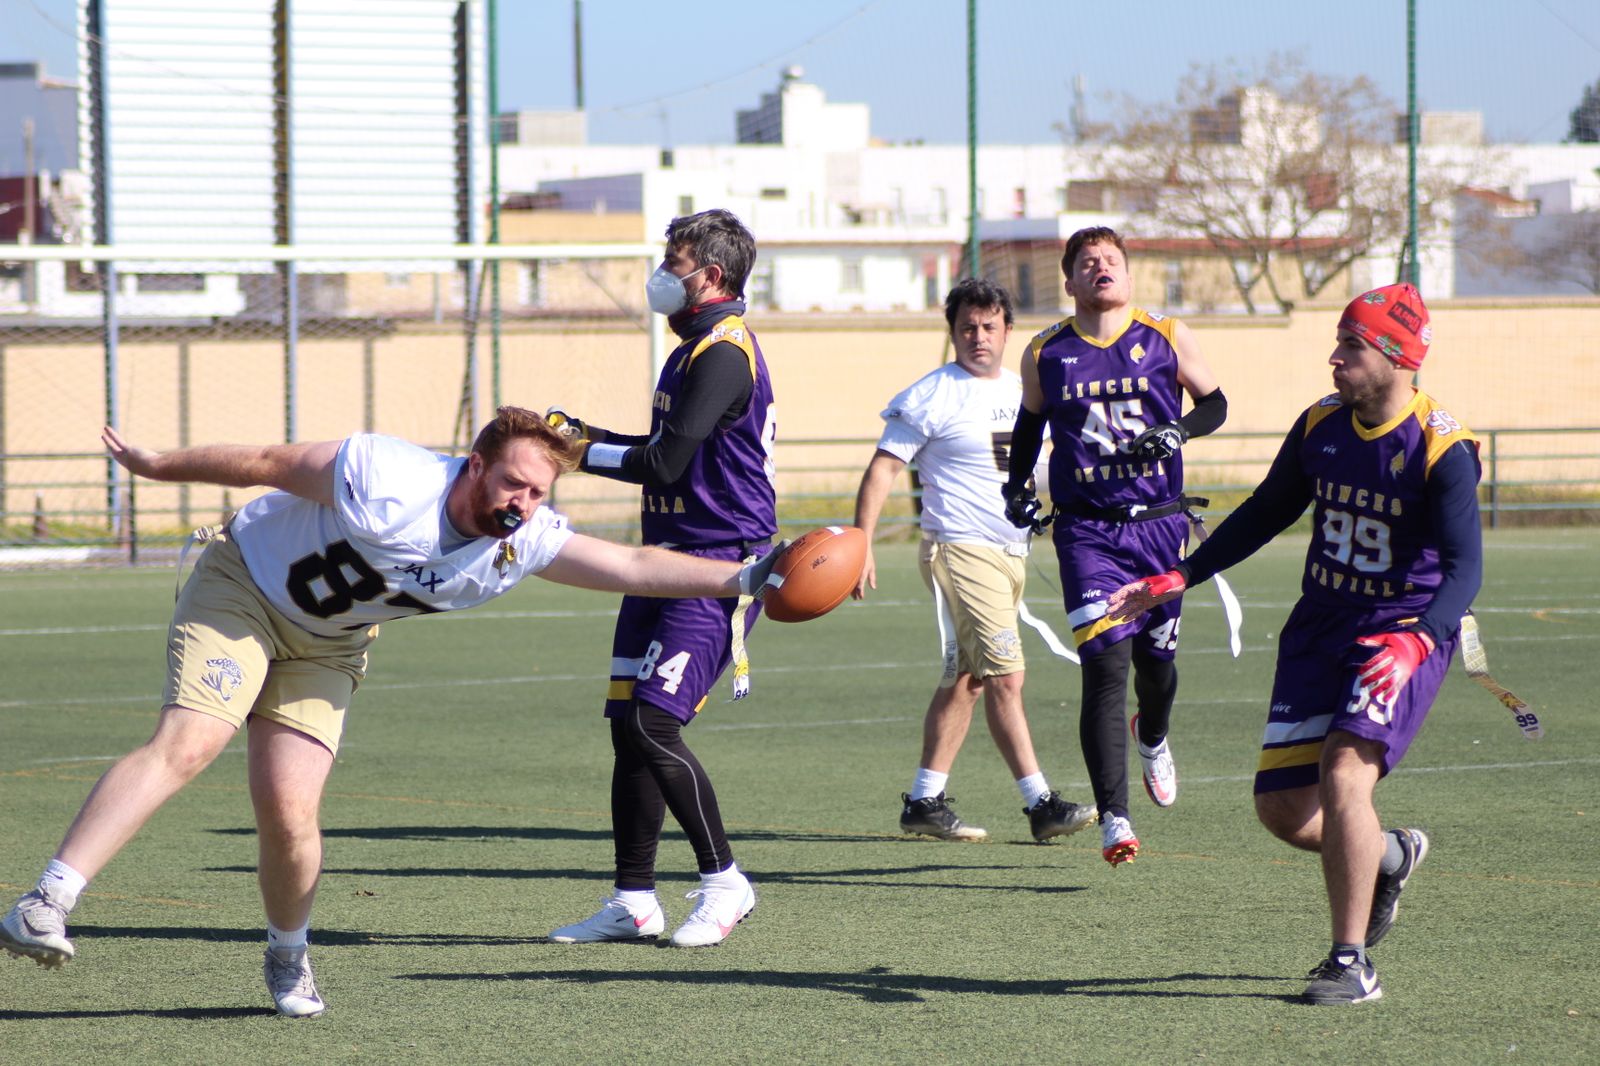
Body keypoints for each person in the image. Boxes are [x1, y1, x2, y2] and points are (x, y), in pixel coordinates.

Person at [0, 407, 784, 1017]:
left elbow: (634, 564)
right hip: (242, 590)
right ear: (474, 464)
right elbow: (265, 464)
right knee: (193, 741)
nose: (523, 502)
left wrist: (745, 578)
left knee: (291, 812)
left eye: (539, 491)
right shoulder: (387, 473)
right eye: (512, 482)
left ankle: (286, 953)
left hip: (330, 645)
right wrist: (158, 465)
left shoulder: (527, 540)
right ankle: (49, 899)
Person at [1107, 283, 1480, 1005]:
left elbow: (1467, 569)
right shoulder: (1319, 425)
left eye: (1351, 344)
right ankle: (1393, 854)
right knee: (1283, 810)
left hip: (1400, 631)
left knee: (1345, 772)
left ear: (1399, 358)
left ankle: (1350, 964)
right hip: (1319, 629)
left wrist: (1419, 642)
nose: (1334, 357)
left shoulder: (1443, 448)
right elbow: (1268, 510)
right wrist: (1180, 575)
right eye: (1339, 340)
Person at [542, 209, 776, 949]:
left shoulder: (724, 354)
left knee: (654, 721)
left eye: (673, 261)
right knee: (627, 729)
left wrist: (579, 457)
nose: (662, 273)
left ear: (711, 274)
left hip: (714, 567)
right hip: (660, 560)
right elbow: (659, 447)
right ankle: (633, 901)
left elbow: (665, 466)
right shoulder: (693, 347)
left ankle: (724, 881)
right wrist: (584, 438)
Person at [1001, 226, 1227, 865]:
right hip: (1088, 532)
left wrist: (1177, 433)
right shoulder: (1046, 351)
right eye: (1088, 262)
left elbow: (1215, 404)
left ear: (1128, 276)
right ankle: (1116, 819)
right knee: (1105, 667)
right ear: (1069, 281)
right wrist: (1017, 488)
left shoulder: (1168, 334)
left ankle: (1152, 733)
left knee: (1157, 670)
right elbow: (1028, 426)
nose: (1102, 269)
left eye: (1112, 261)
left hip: (1159, 525)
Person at [851, 277, 1095, 844]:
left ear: (1008, 330)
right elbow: (882, 470)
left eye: (989, 326)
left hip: (1010, 551)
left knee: (967, 679)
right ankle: (1041, 805)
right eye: (967, 327)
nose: (978, 336)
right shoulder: (932, 393)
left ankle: (924, 800)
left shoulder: (1022, 389)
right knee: (1009, 676)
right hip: (959, 548)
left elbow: (1045, 466)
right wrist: (862, 543)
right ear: (953, 332)